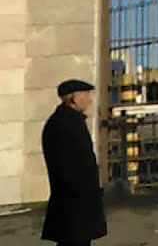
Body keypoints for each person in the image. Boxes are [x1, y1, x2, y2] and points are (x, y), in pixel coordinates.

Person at [41, 79, 108, 246]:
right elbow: (68, 166)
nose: (90, 100)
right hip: (74, 202)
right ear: (75, 99)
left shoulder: (69, 121)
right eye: (86, 95)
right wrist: (83, 190)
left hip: (76, 201)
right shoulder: (65, 124)